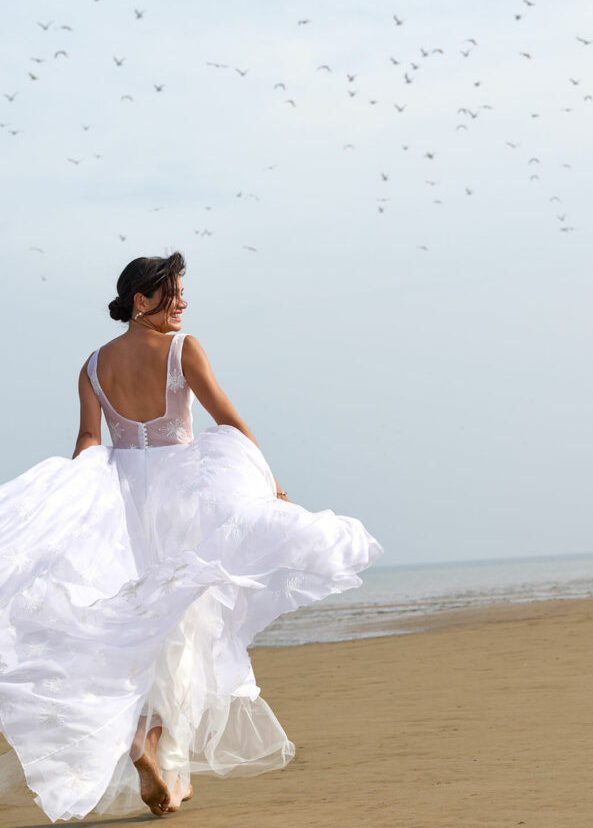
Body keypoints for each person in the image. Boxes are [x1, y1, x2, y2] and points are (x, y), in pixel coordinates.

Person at [0, 251, 383, 822]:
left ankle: (154, 754)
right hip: (183, 498)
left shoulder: (91, 366)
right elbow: (226, 419)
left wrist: (77, 495)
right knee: (181, 625)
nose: (181, 304)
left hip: (124, 501)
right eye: (171, 294)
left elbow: (87, 440)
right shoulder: (183, 349)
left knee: (132, 622)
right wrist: (266, 480)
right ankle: (155, 749)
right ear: (140, 301)